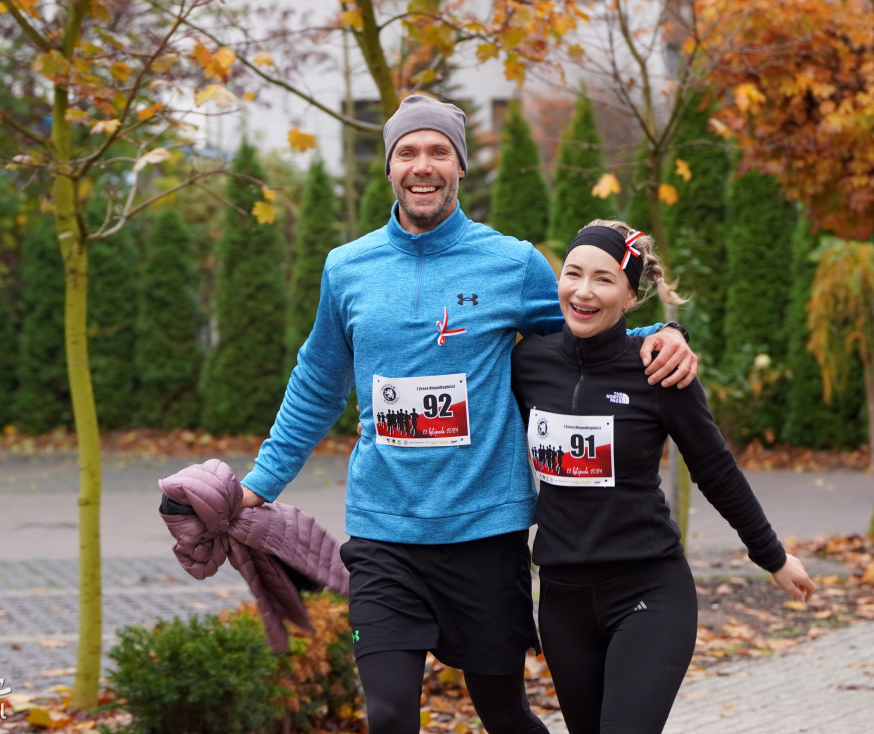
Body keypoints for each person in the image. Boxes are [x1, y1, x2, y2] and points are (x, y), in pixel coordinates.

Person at [237, 95, 695, 734]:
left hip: (485, 534)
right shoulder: (347, 268)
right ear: (390, 168)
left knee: (504, 713)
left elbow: (587, 329)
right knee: (391, 713)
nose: (422, 166)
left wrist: (661, 334)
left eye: (438, 152)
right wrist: (259, 484)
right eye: (408, 153)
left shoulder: (510, 263)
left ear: (459, 167)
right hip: (383, 531)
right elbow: (318, 381)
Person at [510, 220, 815, 734]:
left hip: (648, 590)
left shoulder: (658, 371)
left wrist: (773, 556)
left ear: (631, 296)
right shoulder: (528, 364)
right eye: (573, 274)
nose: (584, 291)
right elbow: (477, 430)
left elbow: (715, 469)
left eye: (604, 280)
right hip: (562, 599)